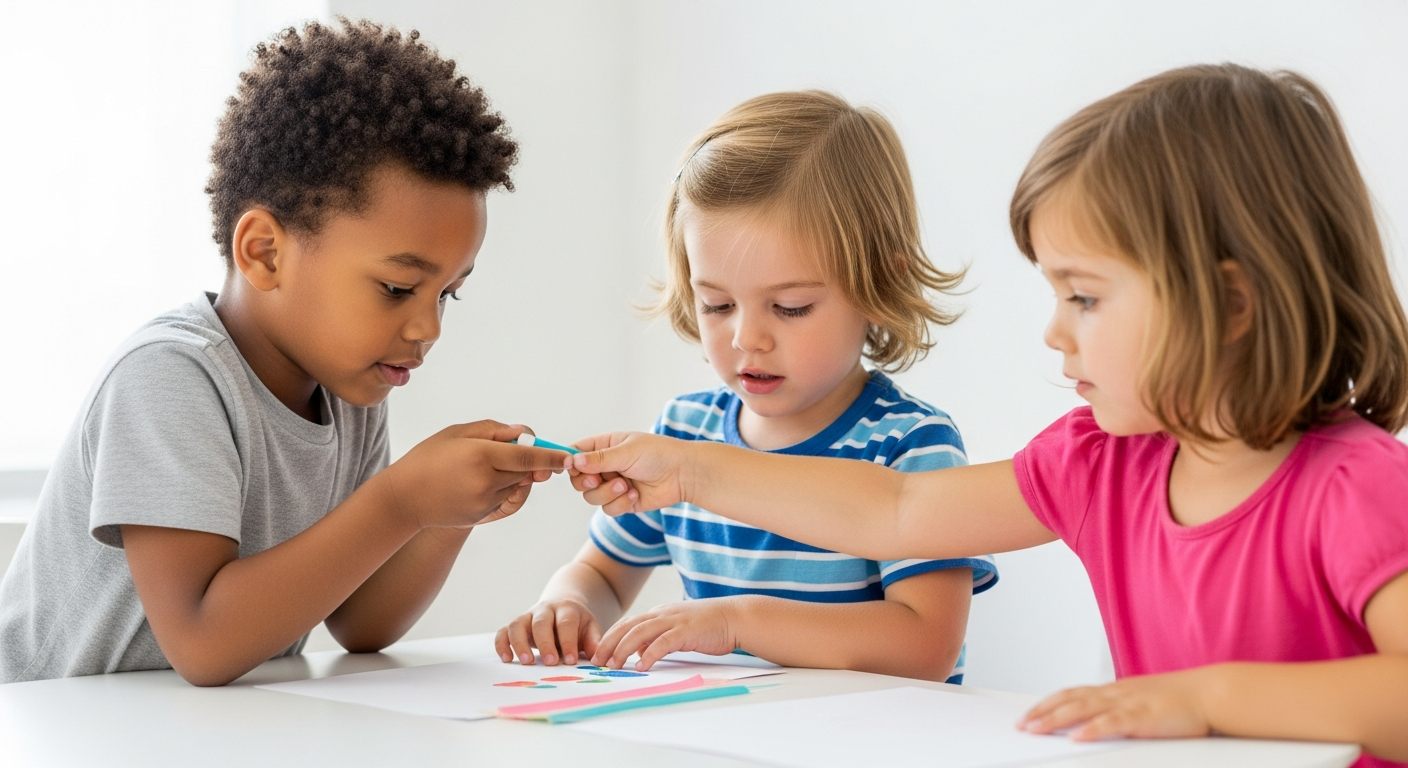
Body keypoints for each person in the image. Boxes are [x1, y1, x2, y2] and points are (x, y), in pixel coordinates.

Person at [568, 65, 1408, 766]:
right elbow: (897, 511)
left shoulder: (1357, 488)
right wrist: (689, 469)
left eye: (1083, 296)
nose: (1052, 330)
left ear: (1230, 302)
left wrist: (1207, 698)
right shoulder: (1101, 462)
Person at [0, 19, 569, 686]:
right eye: (397, 288)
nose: (427, 329)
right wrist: (400, 502)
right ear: (265, 252)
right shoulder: (170, 378)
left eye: (448, 294)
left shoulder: (351, 389)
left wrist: (445, 515)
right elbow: (203, 641)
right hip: (54, 729)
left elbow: (360, 623)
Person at [496, 91, 996, 684]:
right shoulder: (685, 434)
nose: (746, 338)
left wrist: (737, 622)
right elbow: (604, 574)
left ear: (879, 282)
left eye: (790, 307)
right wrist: (569, 605)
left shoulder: (910, 445)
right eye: (717, 304)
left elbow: (926, 645)